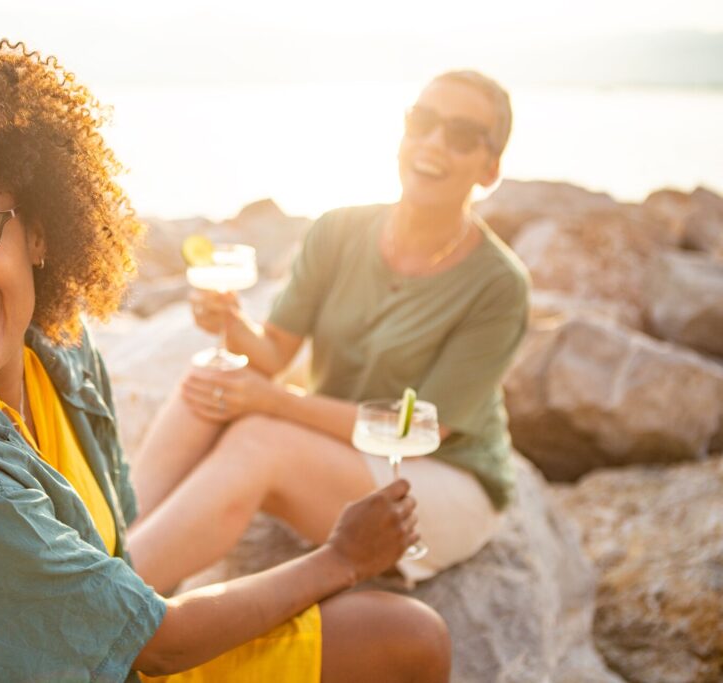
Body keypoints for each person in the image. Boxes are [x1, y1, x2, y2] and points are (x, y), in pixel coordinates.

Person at [0, 6, 451, 682]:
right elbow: (156, 641)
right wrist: (340, 557)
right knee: (401, 638)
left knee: (402, 634)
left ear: (37, 231)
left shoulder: (61, 356)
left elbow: (116, 564)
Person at [128, 70, 530, 593]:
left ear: (490, 168)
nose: (433, 142)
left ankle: (102, 610)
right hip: (339, 442)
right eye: (423, 122)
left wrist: (272, 402)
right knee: (209, 379)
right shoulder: (338, 230)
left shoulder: (499, 285)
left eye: (460, 135)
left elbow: (418, 432)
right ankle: (111, 554)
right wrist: (230, 320)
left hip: (438, 474)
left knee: (259, 439)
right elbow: (272, 352)